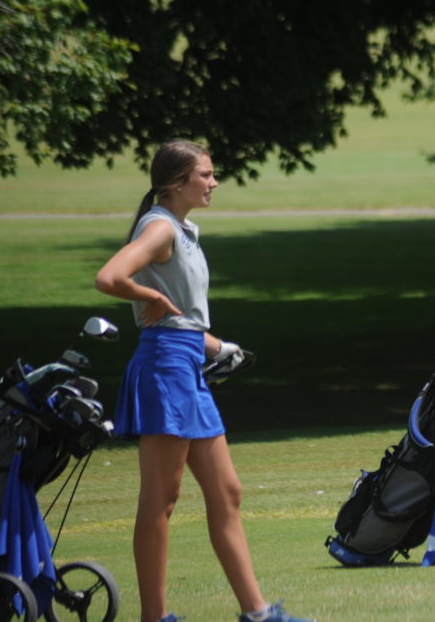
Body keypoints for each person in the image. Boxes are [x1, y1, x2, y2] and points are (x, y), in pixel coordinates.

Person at [95, 140, 312, 622]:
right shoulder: (159, 227)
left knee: (227, 492)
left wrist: (216, 346)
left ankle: (257, 613)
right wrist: (151, 297)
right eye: (205, 175)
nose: (214, 182)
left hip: (187, 363)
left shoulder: (182, 229)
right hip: (165, 370)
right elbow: (109, 277)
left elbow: (181, 317)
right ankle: (155, 618)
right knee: (161, 501)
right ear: (177, 183)